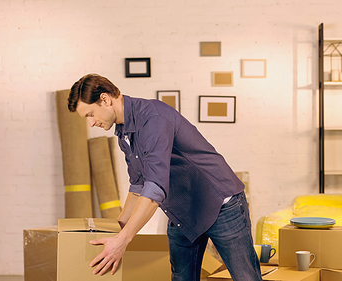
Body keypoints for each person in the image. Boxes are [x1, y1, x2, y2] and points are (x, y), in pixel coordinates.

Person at [67, 74, 262, 281]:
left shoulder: (153, 119)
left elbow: (155, 188)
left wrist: (123, 241)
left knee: (245, 278)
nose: (91, 123)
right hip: (183, 213)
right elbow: (138, 185)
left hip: (220, 205)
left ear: (105, 100)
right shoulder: (124, 133)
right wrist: (118, 229)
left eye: (90, 114)